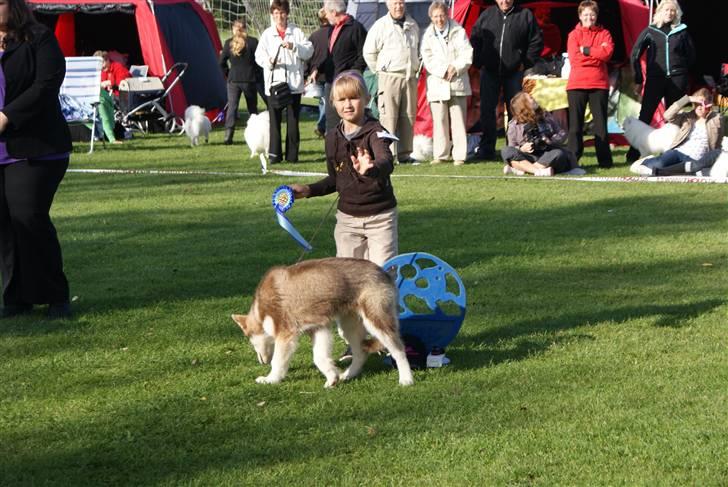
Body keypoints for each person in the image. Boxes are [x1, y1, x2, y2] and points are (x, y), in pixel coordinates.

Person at [0, 0, 73, 319]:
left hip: (37, 146)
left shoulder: (39, 37)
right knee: (4, 224)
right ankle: (16, 298)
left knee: (28, 216)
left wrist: (7, 116)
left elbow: (46, 84)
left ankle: (55, 295)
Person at [290, 71, 397, 266]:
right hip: (347, 220)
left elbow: (387, 161)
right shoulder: (331, 138)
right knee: (348, 278)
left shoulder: (376, 132)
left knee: (383, 275)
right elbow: (335, 180)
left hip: (380, 218)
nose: (347, 105)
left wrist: (371, 168)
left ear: (367, 99)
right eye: (341, 99)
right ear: (333, 102)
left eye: (354, 98)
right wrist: (308, 190)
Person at [470, 0, 543, 161]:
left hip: (514, 72)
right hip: (489, 71)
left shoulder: (525, 15)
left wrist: (526, 62)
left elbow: (536, 41)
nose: (505, 1)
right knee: (487, 111)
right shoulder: (487, 15)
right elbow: (475, 38)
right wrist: (479, 61)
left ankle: (515, 147)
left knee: (515, 112)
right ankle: (487, 148)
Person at [625, 0, 695, 164]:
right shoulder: (651, 31)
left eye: (673, 11)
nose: (670, 13)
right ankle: (633, 154)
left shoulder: (681, 31)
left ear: (676, 13)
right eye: (667, 10)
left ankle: (677, 153)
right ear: (660, 11)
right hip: (655, 79)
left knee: (675, 118)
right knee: (645, 115)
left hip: (677, 80)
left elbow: (691, 55)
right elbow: (635, 54)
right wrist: (638, 79)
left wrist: (683, 73)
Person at [254, 0, 313, 163]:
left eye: (282, 13)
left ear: (287, 14)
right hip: (274, 85)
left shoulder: (297, 32)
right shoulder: (267, 34)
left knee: (293, 123)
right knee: (275, 122)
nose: (279, 17)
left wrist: (294, 46)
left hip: (294, 85)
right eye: (276, 14)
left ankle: (292, 156)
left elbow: (309, 51)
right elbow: (259, 56)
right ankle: (274, 155)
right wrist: (269, 61)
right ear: (272, 15)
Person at [363, 0, 419, 163]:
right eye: (395, 3)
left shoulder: (413, 24)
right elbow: (369, 52)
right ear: (388, 5)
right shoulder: (380, 26)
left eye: (401, 3)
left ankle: (405, 154)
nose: (398, 6)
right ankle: (387, 154)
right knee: (389, 117)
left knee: (408, 117)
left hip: (409, 77)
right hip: (389, 77)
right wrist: (380, 71)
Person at [420, 1, 472, 166]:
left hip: (457, 82)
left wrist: (455, 68)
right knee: (439, 121)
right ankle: (441, 155)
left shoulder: (459, 31)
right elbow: (427, 58)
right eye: (435, 16)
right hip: (437, 83)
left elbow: (467, 54)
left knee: (458, 121)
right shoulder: (427, 35)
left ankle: (459, 155)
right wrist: (443, 70)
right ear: (431, 17)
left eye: (441, 15)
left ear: (447, 14)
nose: (439, 19)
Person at [566, 0, 614, 168]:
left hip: (599, 84)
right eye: (585, 14)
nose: (589, 17)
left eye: (592, 14)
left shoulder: (605, 33)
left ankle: (605, 162)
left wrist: (586, 50)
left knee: (600, 127)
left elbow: (607, 54)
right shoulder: (573, 35)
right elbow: (574, 59)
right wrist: (597, 53)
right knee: (575, 127)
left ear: (596, 15)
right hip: (576, 84)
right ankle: (572, 160)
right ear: (580, 16)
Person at [631, 88, 722, 176]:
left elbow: (721, 119)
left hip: (695, 159)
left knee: (685, 172)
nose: (699, 107)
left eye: (702, 104)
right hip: (678, 152)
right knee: (657, 165)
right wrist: (688, 99)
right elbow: (667, 115)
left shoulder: (715, 119)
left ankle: (657, 168)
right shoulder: (687, 117)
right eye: (697, 104)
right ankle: (646, 161)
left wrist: (712, 107)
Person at [501, 91, 576, 176]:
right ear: (523, 105)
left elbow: (562, 133)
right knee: (506, 151)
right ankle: (539, 171)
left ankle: (524, 170)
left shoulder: (545, 115)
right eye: (530, 98)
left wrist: (550, 140)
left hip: (547, 154)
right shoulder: (514, 125)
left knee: (559, 153)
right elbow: (511, 147)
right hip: (527, 157)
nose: (534, 99)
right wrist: (521, 148)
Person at [320, 0, 368, 133]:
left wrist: (352, 74)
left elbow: (364, 55)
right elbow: (331, 55)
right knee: (331, 123)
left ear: (333, 12)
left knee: (351, 122)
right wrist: (317, 70)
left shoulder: (356, 28)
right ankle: (333, 152)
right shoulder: (332, 29)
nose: (326, 16)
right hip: (331, 83)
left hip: (347, 84)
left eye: (326, 13)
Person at [219, 18, 260, 145]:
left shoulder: (228, 43)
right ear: (245, 28)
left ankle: (228, 135)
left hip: (233, 79)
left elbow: (221, 62)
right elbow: (259, 61)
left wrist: (227, 73)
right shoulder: (253, 42)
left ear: (233, 29)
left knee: (232, 107)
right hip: (249, 79)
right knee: (252, 108)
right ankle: (256, 133)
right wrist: (256, 74)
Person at [94, 50, 129, 144]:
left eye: (103, 63)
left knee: (100, 102)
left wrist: (111, 83)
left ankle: (107, 134)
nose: (102, 66)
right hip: (107, 96)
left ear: (107, 60)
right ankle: (101, 132)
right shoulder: (101, 71)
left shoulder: (117, 67)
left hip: (119, 97)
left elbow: (122, 82)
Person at [306, 8, 329, 138]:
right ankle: (322, 126)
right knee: (325, 101)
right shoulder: (333, 33)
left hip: (317, 74)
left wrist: (309, 72)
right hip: (327, 73)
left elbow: (309, 56)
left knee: (323, 101)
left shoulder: (313, 36)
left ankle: (323, 126)